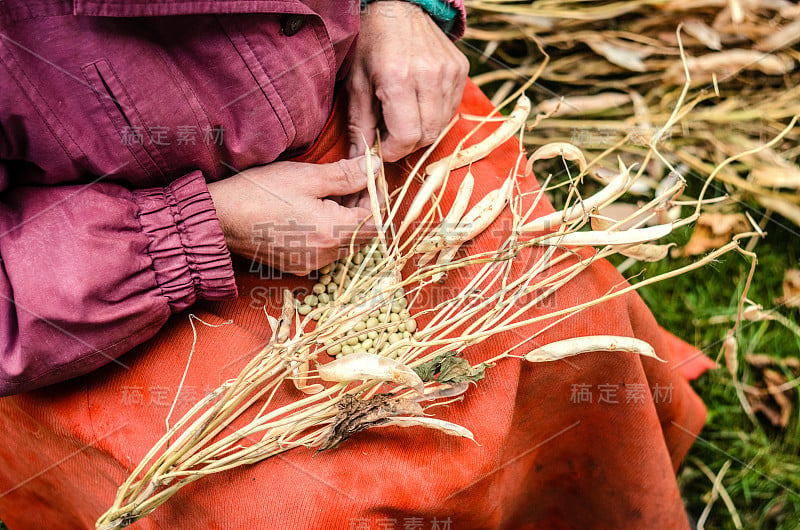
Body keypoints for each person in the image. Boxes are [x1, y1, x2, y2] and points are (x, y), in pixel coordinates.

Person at [0, 1, 712, 528]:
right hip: (113, 270)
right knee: (287, 504)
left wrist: (400, 8)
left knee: (565, 310)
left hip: (354, 119)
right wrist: (199, 225)